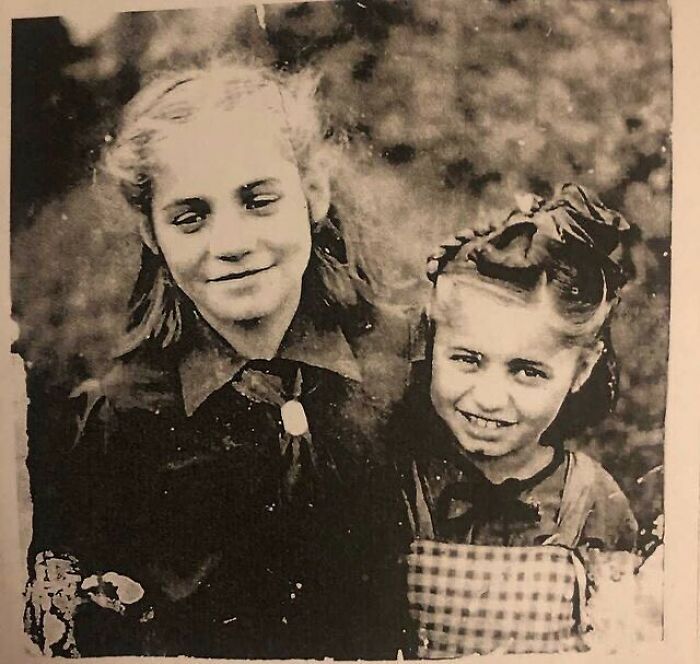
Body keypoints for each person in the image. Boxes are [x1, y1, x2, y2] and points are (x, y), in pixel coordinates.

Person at [24, 60, 413, 659]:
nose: (230, 243)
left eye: (259, 201)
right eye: (190, 216)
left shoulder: (404, 370)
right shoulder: (116, 420)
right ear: (152, 233)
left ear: (314, 195)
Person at [394, 184, 638, 656]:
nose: (488, 399)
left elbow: (622, 644)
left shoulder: (591, 500)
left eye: (527, 371)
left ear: (581, 369)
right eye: (466, 359)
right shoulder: (401, 485)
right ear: (432, 342)